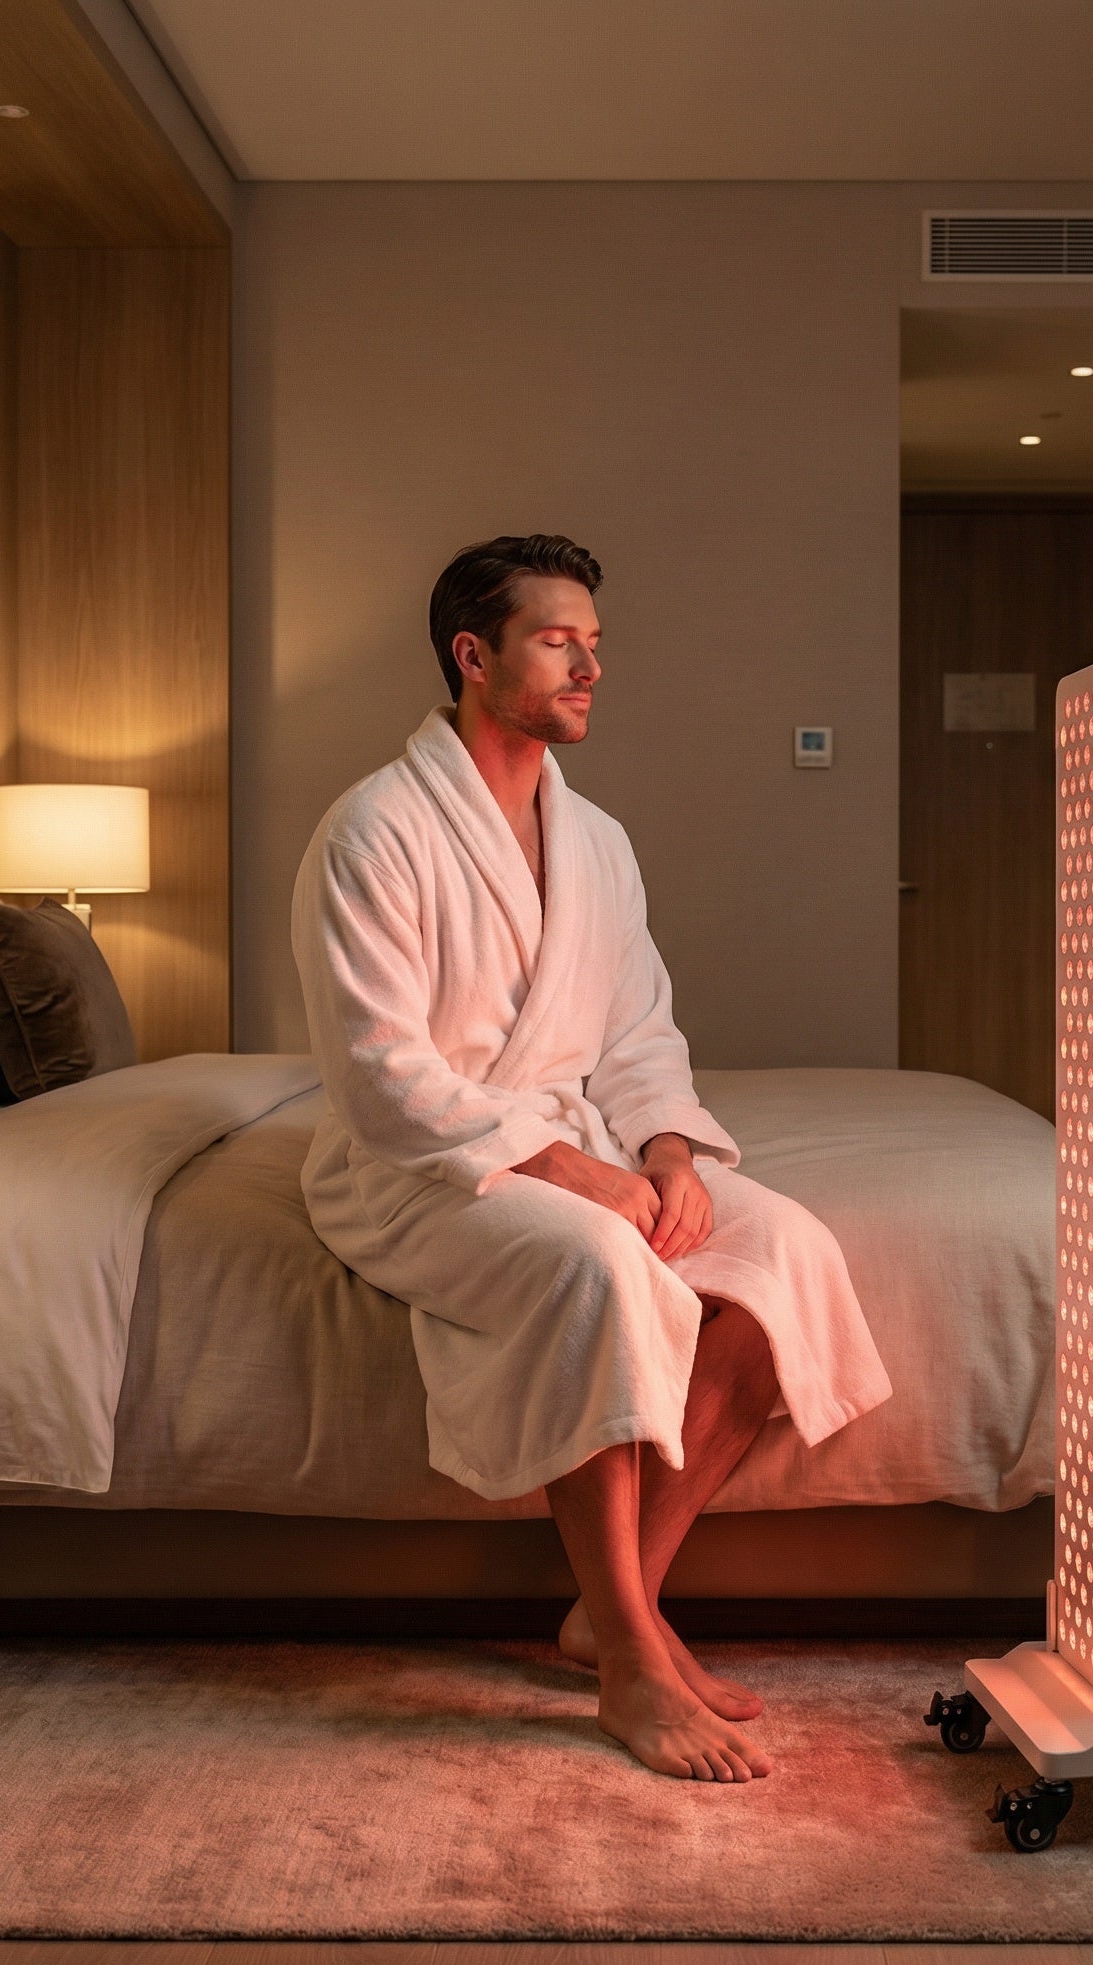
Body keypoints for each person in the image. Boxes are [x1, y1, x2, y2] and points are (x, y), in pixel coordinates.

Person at [292, 534, 891, 1783]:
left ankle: (615, 1602)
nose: (589, 667)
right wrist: (580, 1178)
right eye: (558, 641)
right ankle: (627, 1656)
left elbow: (635, 1032)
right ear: (473, 655)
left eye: (594, 643)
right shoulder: (373, 830)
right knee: (598, 1266)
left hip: (576, 1145)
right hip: (420, 1171)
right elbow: (382, 1074)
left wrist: (666, 1153)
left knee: (781, 1251)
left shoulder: (596, 839)